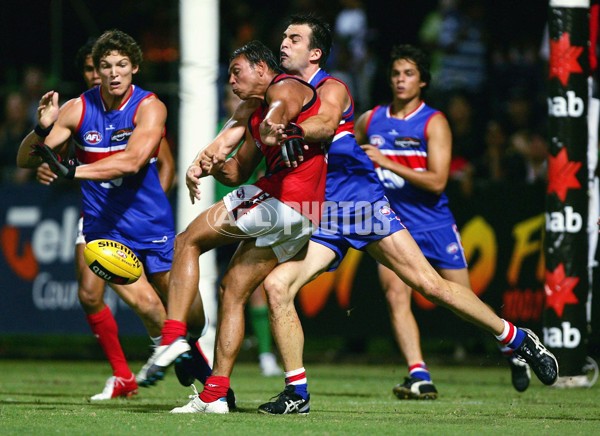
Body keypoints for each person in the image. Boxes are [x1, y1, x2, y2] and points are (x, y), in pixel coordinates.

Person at [251, 16, 557, 414]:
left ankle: (516, 338)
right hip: (324, 213)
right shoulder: (288, 96)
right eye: (284, 36)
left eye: (295, 38)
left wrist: (293, 132)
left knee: (431, 286)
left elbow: (326, 124)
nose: (284, 43)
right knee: (277, 287)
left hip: (362, 207)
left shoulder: (333, 87)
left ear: (315, 53)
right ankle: (298, 393)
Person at [136, 40, 327, 415]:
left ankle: (174, 336)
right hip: (302, 213)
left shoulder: (282, 87)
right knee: (233, 291)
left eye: (236, 71)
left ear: (260, 68)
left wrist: (275, 125)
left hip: (285, 200)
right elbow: (238, 170)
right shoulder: (254, 109)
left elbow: (281, 110)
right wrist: (212, 164)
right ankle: (217, 393)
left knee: (187, 240)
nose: (231, 80)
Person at [16, 30, 209, 397]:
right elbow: (26, 158)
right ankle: (180, 370)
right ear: (95, 71)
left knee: (192, 319)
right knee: (138, 302)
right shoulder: (77, 108)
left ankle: (187, 352)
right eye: (104, 66)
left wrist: (72, 171)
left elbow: (137, 160)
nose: (112, 72)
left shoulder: (149, 106)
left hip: (150, 223)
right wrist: (41, 129)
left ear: (134, 68)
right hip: (103, 225)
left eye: (121, 65)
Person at [353, 43, 530, 398]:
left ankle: (511, 342)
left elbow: (437, 180)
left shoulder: (434, 122)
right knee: (394, 294)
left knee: (461, 301)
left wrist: (386, 162)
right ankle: (419, 374)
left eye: (409, 74)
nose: (401, 80)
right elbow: (350, 157)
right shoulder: (370, 120)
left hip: (433, 223)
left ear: (422, 82)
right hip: (389, 222)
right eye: (396, 74)